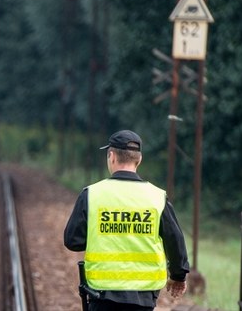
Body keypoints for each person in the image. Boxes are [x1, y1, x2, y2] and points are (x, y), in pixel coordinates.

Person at [63, 130, 189, 311]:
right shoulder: (157, 197)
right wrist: (178, 276)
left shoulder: (92, 194)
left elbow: (72, 241)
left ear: (112, 156)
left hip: (102, 295)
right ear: (139, 159)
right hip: (143, 297)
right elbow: (175, 240)